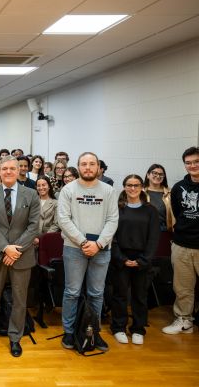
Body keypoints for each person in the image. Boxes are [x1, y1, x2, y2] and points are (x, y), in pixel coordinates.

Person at [0, 156, 40, 357]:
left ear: (19, 170)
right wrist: (6, 248)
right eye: (4, 168)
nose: (8, 172)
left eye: (12, 168)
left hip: (21, 255)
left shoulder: (31, 194)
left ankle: (15, 338)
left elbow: (33, 226)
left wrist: (16, 250)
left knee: (19, 299)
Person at [57, 152, 118, 351]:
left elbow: (112, 220)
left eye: (92, 164)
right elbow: (64, 220)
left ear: (98, 166)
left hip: (101, 249)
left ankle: (94, 331)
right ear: (78, 166)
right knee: (72, 292)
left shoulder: (109, 191)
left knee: (97, 293)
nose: (88, 167)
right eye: (84, 164)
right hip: (74, 248)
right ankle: (68, 332)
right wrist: (84, 242)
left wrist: (98, 244)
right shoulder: (68, 190)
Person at [110, 175, 159, 345]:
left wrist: (143, 260)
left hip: (142, 260)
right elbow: (112, 236)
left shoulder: (150, 210)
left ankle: (138, 329)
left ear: (142, 187)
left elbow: (153, 238)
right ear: (124, 187)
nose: (132, 188)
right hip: (120, 258)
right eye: (129, 185)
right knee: (120, 295)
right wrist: (121, 259)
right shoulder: (117, 208)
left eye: (136, 185)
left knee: (140, 296)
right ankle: (118, 328)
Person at [162, 146, 199, 335]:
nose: (192, 166)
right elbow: (177, 213)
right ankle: (184, 320)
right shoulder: (179, 187)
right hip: (182, 245)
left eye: (196, 162)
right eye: (189, 163)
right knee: (183, 287)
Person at [143, 164, 173, 232]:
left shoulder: (170, 193)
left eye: (161, 174)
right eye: (154, 173)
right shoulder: (140, 192)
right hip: (143, 231)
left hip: (164, 231)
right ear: (148, 175)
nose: (158, 176)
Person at [35, 176, 59, 241]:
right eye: (38, 186)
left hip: (48, 238)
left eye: (43, 185)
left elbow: (56, 224)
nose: (41, 188)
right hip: (33, 239)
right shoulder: (33, 201)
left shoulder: (55, 203)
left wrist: (43, 238)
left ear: (49, 186)